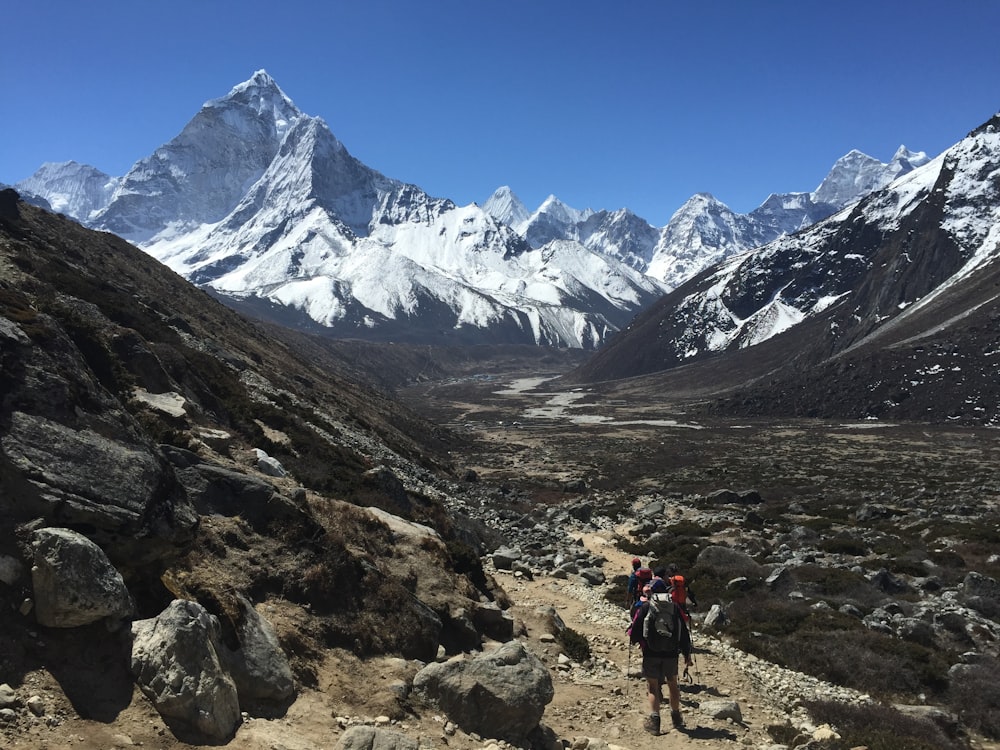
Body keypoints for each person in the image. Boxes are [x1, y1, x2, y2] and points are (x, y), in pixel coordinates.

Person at [627, 578, 693, 735]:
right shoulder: (675, 608)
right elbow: (683, 632)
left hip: (651, 653)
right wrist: (687, 654)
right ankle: (676, 717)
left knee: (653, 687)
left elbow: (635, 631)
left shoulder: (645, 607)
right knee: (673, 684)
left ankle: (655, 722)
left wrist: (637, 641)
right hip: (671, 654)